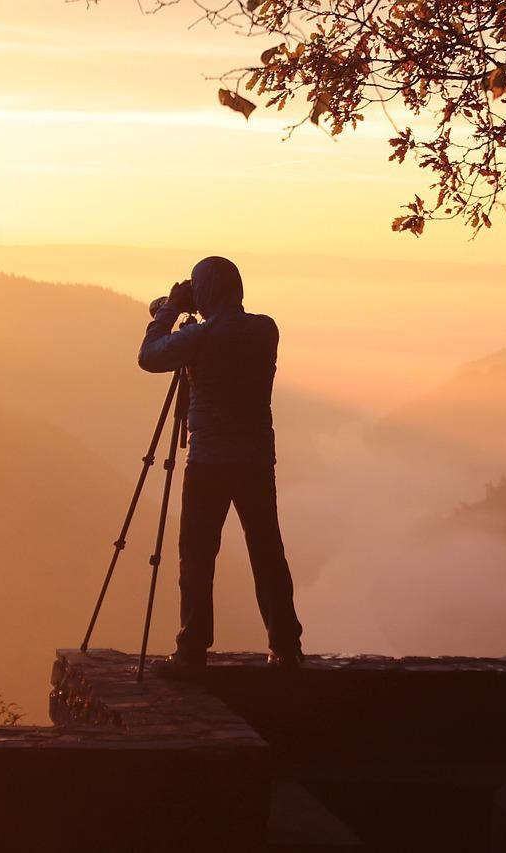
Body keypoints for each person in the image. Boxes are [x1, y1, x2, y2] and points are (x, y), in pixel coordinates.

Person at [138, 256, 304, 673]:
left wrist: (170, 309)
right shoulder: (265, 330)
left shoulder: (199, 337)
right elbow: (225, 330)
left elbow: (149, 356)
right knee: (267, 551)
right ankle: (286, 646)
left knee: (197, 556)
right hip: (256, 460)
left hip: (209, 460)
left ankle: (192, 649)